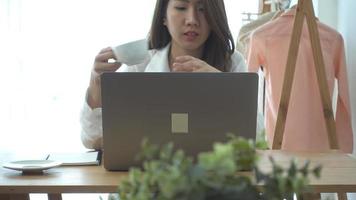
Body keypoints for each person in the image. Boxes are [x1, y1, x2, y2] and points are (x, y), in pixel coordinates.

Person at [80, 0, 264, 150]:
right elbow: (93, 139)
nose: (192, 19)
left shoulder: (232, 63)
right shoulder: (142, 63)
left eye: (202, 9)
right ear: (164, 17)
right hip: (153, 180)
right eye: (181, 7)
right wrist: (96, 84)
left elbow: (257, 138)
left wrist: (222, 85)